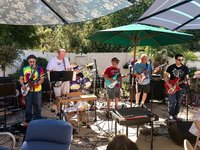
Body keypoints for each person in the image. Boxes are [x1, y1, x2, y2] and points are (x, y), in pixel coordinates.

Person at [19, 55, 45, 126]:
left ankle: (38, 119)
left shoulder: (40, 69)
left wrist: (37, 83)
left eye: (33, 61)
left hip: (37, 90)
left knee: (38, 105)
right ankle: (28, 120)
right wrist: (23, 85)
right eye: (30, 62)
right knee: (28, 106)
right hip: (27, 90)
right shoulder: (24, 69)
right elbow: (21, 79)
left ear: (35, 61)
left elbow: (42, 79)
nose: (32, 63)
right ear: (28, 62)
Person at [164, 54, 190, 122]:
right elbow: (165, 77)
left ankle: (175, 115)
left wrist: (188, 81)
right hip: (171, 87)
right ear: (176, 60)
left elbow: (187, 78)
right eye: (179, 60)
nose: (181, 61)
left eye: (182, 59)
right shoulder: (171, 67)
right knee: (172, 102)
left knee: (178, 102)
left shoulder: (185, 68)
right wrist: (169, 85)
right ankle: (170, 115)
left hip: (181, 87)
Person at [46, 48, 71, 117]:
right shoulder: (53, 60)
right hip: (56, 81)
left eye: (64, 54)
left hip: (65, 80)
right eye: (61, 55)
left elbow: (68, 69)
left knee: (65, 95)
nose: (63, 56)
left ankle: (62, 109)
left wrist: (71, 71)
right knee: (58, 96)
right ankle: (59, 110)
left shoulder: (66, 60)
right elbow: (48, 69)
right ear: (58, 53)